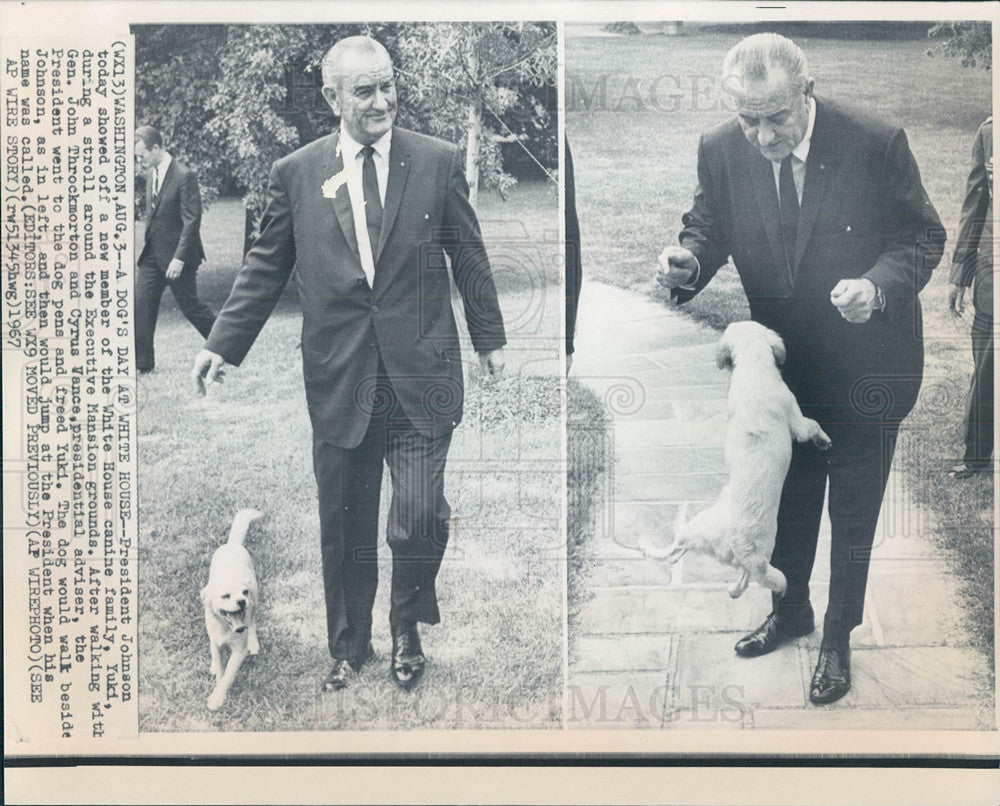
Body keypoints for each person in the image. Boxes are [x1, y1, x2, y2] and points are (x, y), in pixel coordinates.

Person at [191, 36, 506, 692]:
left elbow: (469, 256)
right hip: (340, 377)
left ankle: (407, 626)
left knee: (418, 516)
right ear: (332, 96)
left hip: (423, 376)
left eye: (388, 86)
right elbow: (265, 267)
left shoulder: (438, 161)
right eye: (364, 90)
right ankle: (349, 645)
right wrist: (222, 343)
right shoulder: (296, 173)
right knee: (345, 520)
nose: (382, 100)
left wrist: (489, 337)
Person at [657, 33, 944, 704]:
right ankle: (791, 613)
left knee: (852, 508)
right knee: (785, 500)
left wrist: (875, 288)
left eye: (775, 118)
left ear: (805, 94)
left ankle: (838, 637)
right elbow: (708, 227)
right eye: (746, 118)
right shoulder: (721, 148)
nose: (759, 135)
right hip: (784, 374)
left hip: (871, 369)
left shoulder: (874, 141)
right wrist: (688, 263)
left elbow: (922, 236)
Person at [134, 126, 216, 374]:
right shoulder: (151, 175)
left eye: (142, 156)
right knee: (142, 305)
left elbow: (192, 220)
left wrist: (179, 258)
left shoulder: (184, 175)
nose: (139, 162)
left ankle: (227, 345)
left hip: (178, 258)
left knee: (191, 308)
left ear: (156, 148)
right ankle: (143, 366)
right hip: (152, 257)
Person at [947, 117, 993, 479]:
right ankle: (977, 457)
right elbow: (975, 205)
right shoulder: (990, 132)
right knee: (988, 365)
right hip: (993, 271)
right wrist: (960, 274)